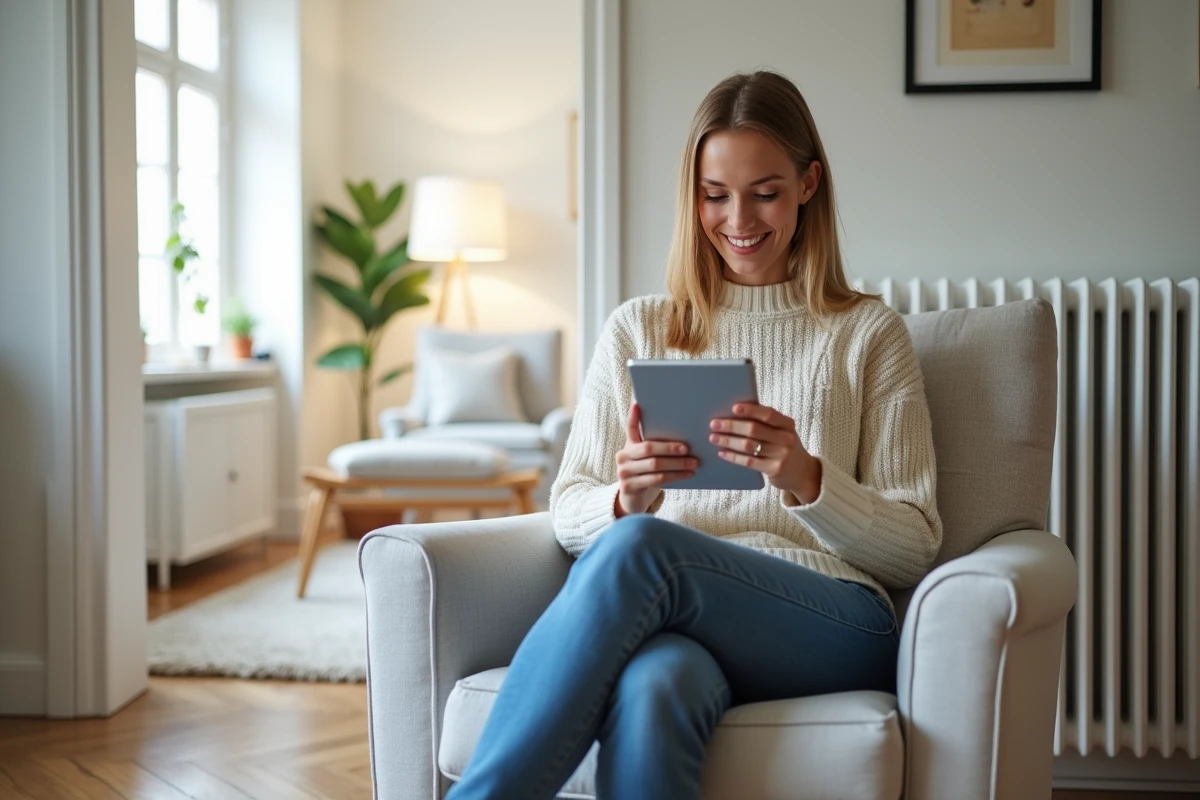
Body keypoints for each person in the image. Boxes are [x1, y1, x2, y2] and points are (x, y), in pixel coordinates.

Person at [445, 69, 943, 800]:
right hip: (676, 623)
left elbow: (916, 544)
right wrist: (625, 499)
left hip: (834, 622)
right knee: (655, 683)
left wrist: (808, 480)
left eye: (765, 192)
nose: (738, 219)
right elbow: (569, 508)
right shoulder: (638, 329)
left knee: (647, 552)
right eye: (715, 195)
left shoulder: (868, 332)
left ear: (808, 185)